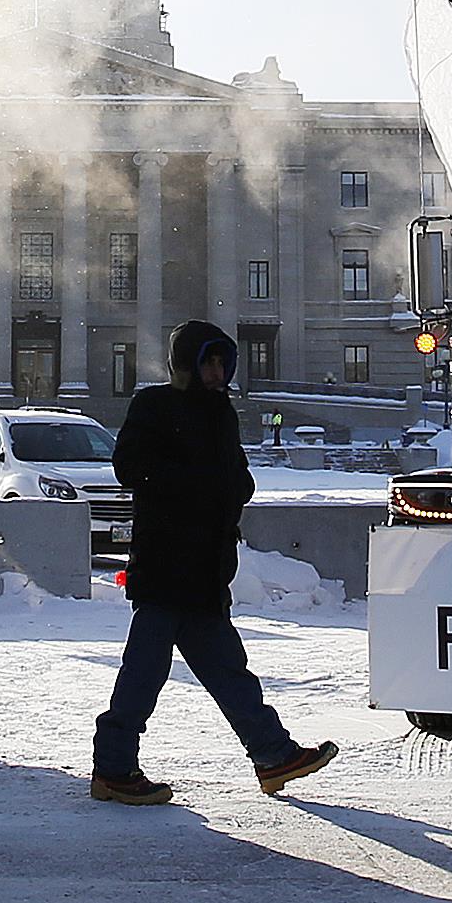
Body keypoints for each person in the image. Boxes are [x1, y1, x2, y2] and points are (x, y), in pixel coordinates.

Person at [89, 320, 336, 805]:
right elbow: (129, 467)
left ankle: (272, 754)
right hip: (165, 566)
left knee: (227, 671)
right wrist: (198, 482)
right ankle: (115, 768)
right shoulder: (155, 404)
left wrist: (233, 488)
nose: (218, 371)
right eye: (208, 361)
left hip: (204, 568)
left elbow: (235, 474)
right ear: (186, 364)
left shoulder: (221, 412)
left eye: (223, 361)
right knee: (145, 673)